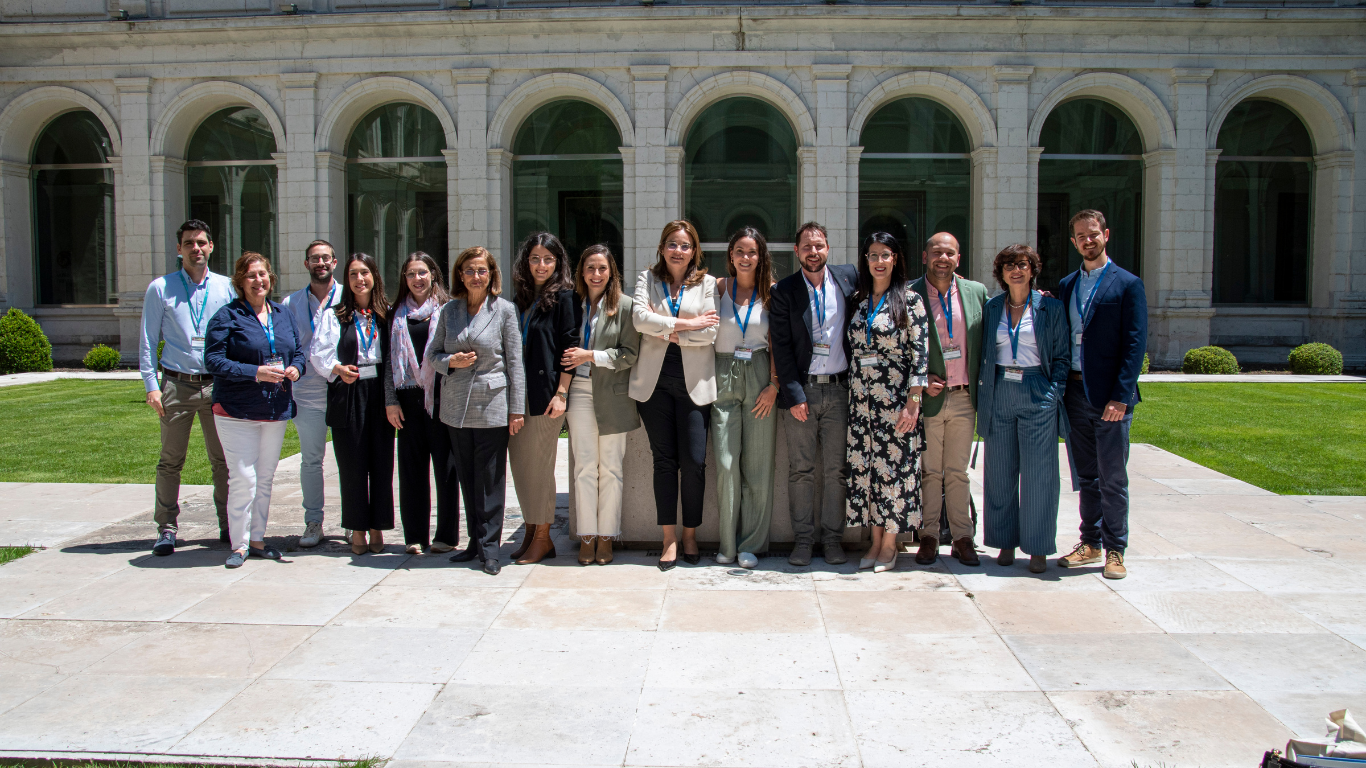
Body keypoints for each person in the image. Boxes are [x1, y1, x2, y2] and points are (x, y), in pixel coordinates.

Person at [1056, 210, 1148, 580]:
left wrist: (1121, 396)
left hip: (1109, 397)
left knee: (1113, 477)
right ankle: (1089, 542)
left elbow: (1135, 344)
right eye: (1080, 236)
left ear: (1105, 235)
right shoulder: (1066, 285)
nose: (1087, 240)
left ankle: (1115, 549)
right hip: (1074, 392)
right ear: (1074, 241)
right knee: (1086, 476)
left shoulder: (1127, 284)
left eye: (1093, 234)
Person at [139, 219, 235, 556]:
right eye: (189, 243)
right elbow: (149, 342)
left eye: (202, 242)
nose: (196, 248)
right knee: (170, 461)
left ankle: (228, 524)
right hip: (176, 385)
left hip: (217, 386)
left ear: (211, 247)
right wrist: (151, 385)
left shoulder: (226, 287)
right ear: (179, 249)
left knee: (223, 461)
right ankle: (166, 528)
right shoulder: (160, 288)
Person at [429, 246, 526, 576]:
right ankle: (474, 542)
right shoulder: (449, 312)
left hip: (492, 404)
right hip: (456, 406)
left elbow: (515, 362)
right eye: (469, 270)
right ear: (460, 274)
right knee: (467, 478)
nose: (475, 276)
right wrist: (450, 362)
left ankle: (490, 548)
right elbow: (433, 355)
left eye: (481, 270)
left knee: (489, 479)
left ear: (491, 275)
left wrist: (517, 409)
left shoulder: (504, 311)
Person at [204, 252, 305, 567]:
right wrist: (254, 371)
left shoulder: (282, 314)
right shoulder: (227, 316)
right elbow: (213, 360)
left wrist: (296, 370)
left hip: (274, 409)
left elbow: (298, 351)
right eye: (251, 276)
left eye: (263, 274)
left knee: (265, 477)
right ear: (239, 282)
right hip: (237, 410)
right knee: (243, 478)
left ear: (270, 278)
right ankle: (239, 544)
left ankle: (258, 539)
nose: (258, 281)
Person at [629, 220, 719, 571]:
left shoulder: (707, 283)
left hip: (694, 386)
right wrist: (687, 325)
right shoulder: (646, 280)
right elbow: (639, 319)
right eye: (672, 244)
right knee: (664, 462)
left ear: (694, 250)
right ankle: (669, 538)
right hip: (654, 386)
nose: (678, 250)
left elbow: (711, 332)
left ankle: (691, 533)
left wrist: (666, 330)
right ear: (661, 248)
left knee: (695, 463)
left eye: (684, 245)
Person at [976, 244, 1071, 574]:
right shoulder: (992, 308)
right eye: (1008, 266)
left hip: (1036, 389)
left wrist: (1053, 392)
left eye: (1022, 264)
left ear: (1033, 269)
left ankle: (1038, 546)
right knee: (1000, 472)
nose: (1016, 270)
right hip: (1000, 388)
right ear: (1000, 273)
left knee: (1040, 475)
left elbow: (1061, 357)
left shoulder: (1050, 308)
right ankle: (1004, 541)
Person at [769, 221, 859, 567]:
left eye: (819, 245)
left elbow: (886, 288)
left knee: (836, 470)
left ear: (828, 247)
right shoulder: (785, 290)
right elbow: (783, 346)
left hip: (839, 392)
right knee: (801, 470)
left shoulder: (848, 279)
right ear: (796, 251)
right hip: (802, 391)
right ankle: (804, 541)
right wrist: (793, 395)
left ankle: (833, 540)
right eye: (806, 246)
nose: (813, 252)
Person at [845, 233, 929, 574]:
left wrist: (913, 400)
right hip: (861, 402)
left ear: (896, 259)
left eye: (886, 255)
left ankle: (891, 544)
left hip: (894, 401)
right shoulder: (861, 302)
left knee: (893, 471)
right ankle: (875, 540)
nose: (879, 261)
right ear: (866, 259)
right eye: (873, 255)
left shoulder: (910, 301)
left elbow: (920, 354)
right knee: (868, 472)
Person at [910, 233, 990, 567]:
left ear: (959, 258)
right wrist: (920, 378)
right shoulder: (911, 293)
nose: (943, 258)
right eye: (937, 252)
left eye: (950, 253)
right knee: (929, 472)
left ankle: (962, 537)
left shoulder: (976, 292)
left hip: (964, 397)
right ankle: (928, 536)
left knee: (957, 471)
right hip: (930, 398)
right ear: (925, 257)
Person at [310, 252, 396, 555]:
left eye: (365, 273)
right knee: (353, 465)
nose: (360, 280)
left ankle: (378, 527)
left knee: (382, 464)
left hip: (381, 393)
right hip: (349, 391)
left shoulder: (387, 313)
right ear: (347, 281)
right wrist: (336, 369)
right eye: (353, 275)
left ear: (374, 276)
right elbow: (318, 352)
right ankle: (357, 528)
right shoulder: (335, 315)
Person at [561, 245, 640, 565]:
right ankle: (587, 536)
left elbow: (630, 355)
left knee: (610, 468)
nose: (596, 274)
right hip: (578, 391)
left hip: (614, 395)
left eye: (602, 269)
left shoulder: (624, 306)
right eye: (590, 268)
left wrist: (591, 355)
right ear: (581, 271)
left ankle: (607, 536)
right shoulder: (571, 305)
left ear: (612, 273)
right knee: (583, 467)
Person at [507, 233, 578, 565]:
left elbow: (569, 350)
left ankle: (543, 537)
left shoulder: (565, 297)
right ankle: (530, 530)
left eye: (548, 259)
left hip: (548, 396)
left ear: (558, 263)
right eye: (535, 258)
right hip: (517, 397)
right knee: (521, 468)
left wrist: (562, 393)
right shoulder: (519, 299)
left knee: (539, 469)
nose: (541, 265)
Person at [711, 227, 779, 570]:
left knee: (757, 466)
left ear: (761, 256)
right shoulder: (718, 288)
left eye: (752, 251)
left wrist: (774, 384)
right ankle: (726, 542)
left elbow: (779, 341)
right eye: (739, 250)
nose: (745, 257)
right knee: (725, 464)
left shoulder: (771, 293)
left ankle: (750, 544)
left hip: (760, 376)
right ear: (731, 255)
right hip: (723, 374)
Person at [384, 251, 459, 555]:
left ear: (433, 275)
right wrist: (390, 401)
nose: (417, 279)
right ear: (405, 278)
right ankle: (415, 535)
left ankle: (446, 536)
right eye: (411, 273)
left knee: (446, 470)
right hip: (407, 402)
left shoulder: (449, 311)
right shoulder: (394, 314)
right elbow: (389, 363)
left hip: (441, 399)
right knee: (412, 472)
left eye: (423, 272)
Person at [283, 239, 340, 548]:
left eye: (326, 258)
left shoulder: (349, 296)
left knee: (351, 459)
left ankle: (353, 521)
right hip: (306, 392)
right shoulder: (290, 303)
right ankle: (313, 521)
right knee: (311, 459)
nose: (321, 263)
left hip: (345, 389)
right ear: (306, 264)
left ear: (334, 262)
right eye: (314, 258)